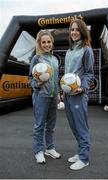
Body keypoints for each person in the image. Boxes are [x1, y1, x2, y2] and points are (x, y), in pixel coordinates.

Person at [64, 19, 94, 170]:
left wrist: (82, 87)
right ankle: (80, 151)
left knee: (81, 127)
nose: (74, 32)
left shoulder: (86, 49)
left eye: (77, 30)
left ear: (82, 31)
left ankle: (84, 158)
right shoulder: (70, 50)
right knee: (73, 125)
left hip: (79, 94)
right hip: (67, 94)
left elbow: (89, 73)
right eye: (72, 30)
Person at [28, 30, 61, 164]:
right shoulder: (36, 58)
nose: (46, 44)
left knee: (51, 126)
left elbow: (56, 79)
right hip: (41, 96)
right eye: (44, 42)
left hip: (53, 97)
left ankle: (50, 148)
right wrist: (37, 83)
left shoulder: (54, 59)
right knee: (39, 125)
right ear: (40, 44)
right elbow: (30, 79)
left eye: (49, 42)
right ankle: (38, 151)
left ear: (52, 43)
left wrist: (58, 94)